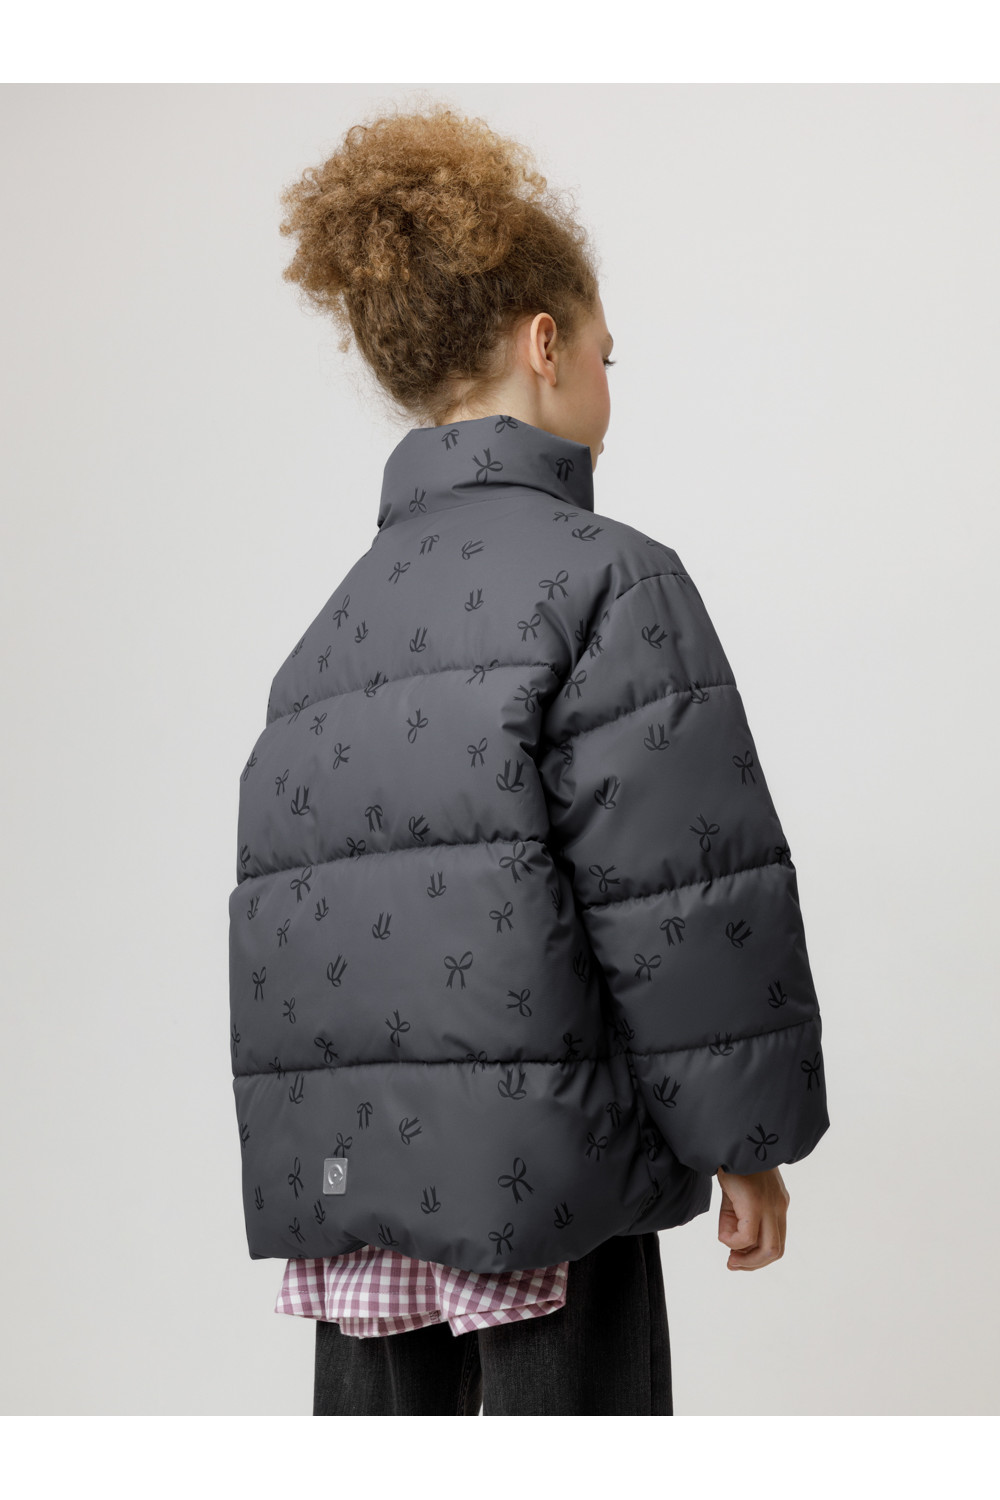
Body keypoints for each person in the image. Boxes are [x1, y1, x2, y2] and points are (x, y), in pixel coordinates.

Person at [229, 101, 829, 1417]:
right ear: (544, 345)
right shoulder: (611, 583)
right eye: (608, 353)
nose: (612, 388)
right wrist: (747, 1141)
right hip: (550, 1203)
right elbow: (678, 895)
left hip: (358, 1228)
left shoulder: (327, 637)